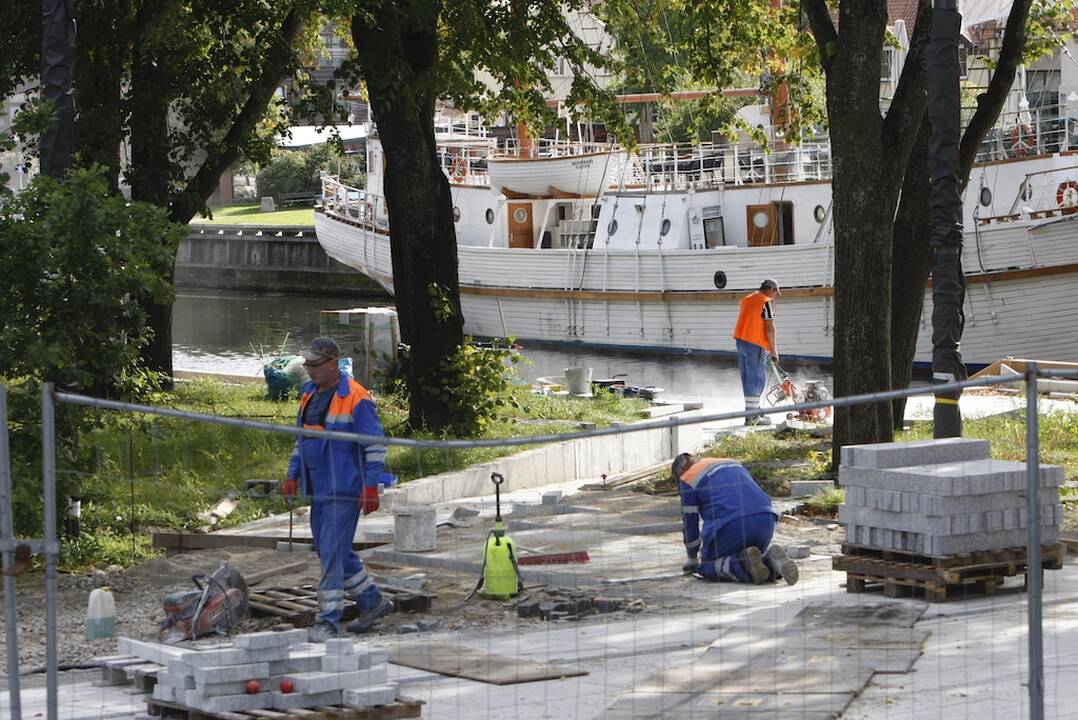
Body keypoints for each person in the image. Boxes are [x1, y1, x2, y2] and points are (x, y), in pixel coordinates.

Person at [282, 337, 396, 641]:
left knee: (331, 553)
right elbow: (301, 438)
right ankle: (373, 602)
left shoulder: (357, 398)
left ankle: (328, 620)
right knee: (331, 550)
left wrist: (370, 486)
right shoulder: (309, 394)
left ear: (333, 363)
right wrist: (292, 474)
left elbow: (374, 446)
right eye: (307, 364)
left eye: (315, 365)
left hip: (345, 488)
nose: (309, 370)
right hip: (318, 486)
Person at [673, 453, 798, 585]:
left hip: (731, 526)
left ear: (680, 471)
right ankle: (771, 561)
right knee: (755, 560)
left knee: (707, 567)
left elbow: (690, 523)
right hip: (765, 521)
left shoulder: (687, 478)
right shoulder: (731, 462)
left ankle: (742, 563)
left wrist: (692, 557)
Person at [732, 278, 781, 425]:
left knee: (747, 378)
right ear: (770, 290)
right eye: (775, 293)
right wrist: (774, 351)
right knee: (757, 378)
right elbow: (769, 328)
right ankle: (752, 417)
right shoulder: (766, 301)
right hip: (754, 342)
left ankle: (753, 411)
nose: (775, 296)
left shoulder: (748, 298)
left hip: (740, 340)